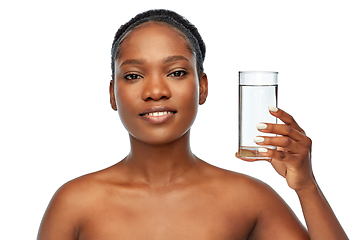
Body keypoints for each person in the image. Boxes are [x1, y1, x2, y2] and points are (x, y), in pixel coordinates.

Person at [37, 9, 348, 240]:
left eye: (176, 73)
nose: (156, 91)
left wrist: (306, 187)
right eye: (133, 75)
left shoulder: (249, 199)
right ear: (113, 94)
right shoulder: (74, 203)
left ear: (203, 87)